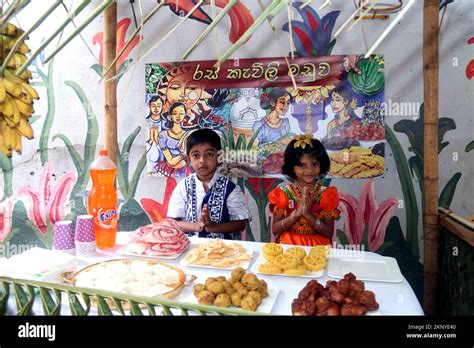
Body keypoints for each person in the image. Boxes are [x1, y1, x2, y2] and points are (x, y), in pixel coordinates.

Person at [167, 128, 251, 239]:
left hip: (222, 248)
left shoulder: (230, 188)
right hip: (190, 246)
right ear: (189, 159)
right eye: (196, 155)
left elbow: (240, 224)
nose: (202, 160)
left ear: (219, 157)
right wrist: (196, 227)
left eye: (209, 154)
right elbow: (173, 222)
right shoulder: (183, 187)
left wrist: (213, 227)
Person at [268, 134, 340, 246]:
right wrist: (296, 214)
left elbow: (328, 233)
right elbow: (275, 230)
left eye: (315, 164)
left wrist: (308, 214)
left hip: (318, 248)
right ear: (292, 166)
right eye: (302, 165)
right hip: (289, 245)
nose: (310, 170)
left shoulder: (326, 195)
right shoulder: (283, 194)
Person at [155, 102, 188, 176]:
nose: (178, 116)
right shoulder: (163, 135)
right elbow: (171, 161)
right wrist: (184, 154)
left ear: (185, 115)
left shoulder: (188, 135)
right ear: (170, 116)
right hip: (169, 171)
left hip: (186, 170)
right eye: (175, 113)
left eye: (181, 113)